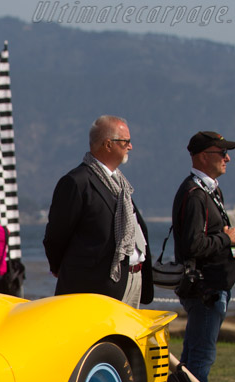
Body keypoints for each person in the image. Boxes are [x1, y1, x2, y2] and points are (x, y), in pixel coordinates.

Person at [43, 115, 153, 307]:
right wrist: (62, 268)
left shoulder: (120, 184)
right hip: (96, 285)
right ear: (108, 144)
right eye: (126, 141)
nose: (130, 146)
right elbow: (56, 235)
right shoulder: (77, 182)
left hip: (130, 280)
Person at [172, 130, 235, 382]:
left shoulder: (209, 191)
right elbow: (193, 245)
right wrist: (228, 239)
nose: (227, 158)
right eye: (222, 153)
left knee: (193, 358)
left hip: (214, 288)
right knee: (200, 361)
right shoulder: (195, 194)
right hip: (205, 290)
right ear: (204, 156)